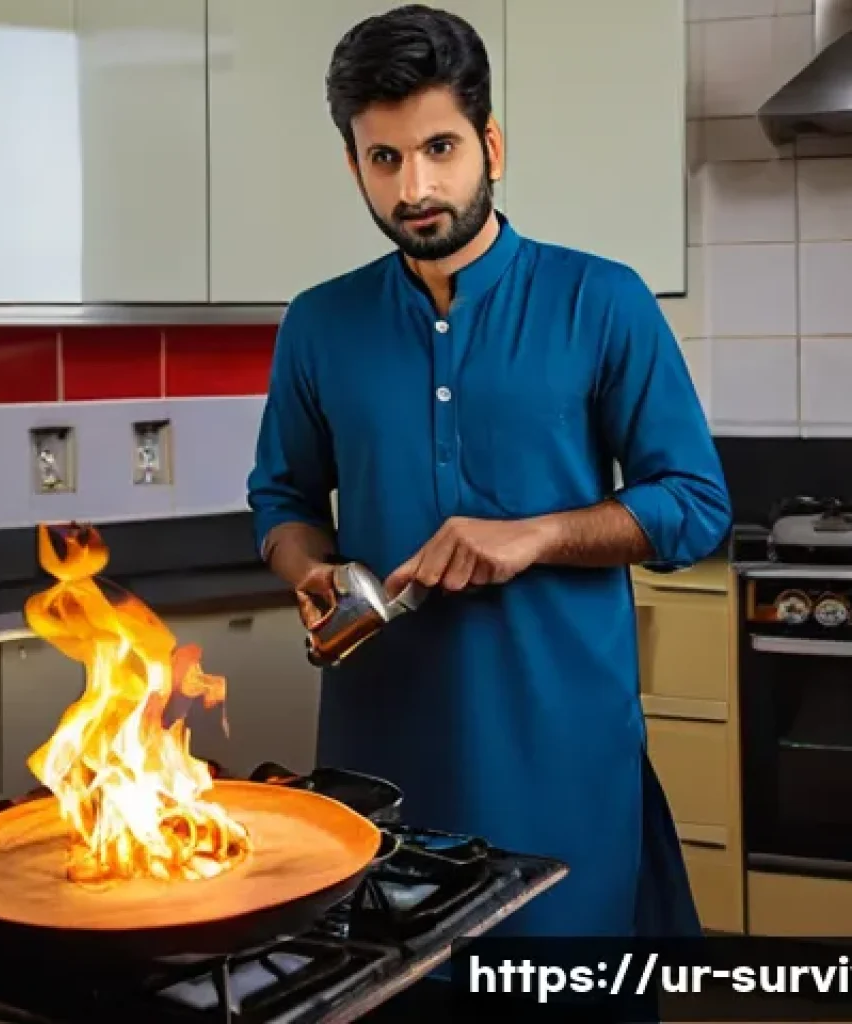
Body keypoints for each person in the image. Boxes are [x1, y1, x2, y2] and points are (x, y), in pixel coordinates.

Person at [246, 4, 731, 940]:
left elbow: (697, 505)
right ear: (355, 165)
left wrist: (537, 534)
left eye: (439, 148)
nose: (415, 185)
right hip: (378, 765)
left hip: (565, 758)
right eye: (384, 159)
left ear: (491, 144)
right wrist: (309, 572)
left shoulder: (604, 299)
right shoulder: (318, 322)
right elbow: (284, 498)